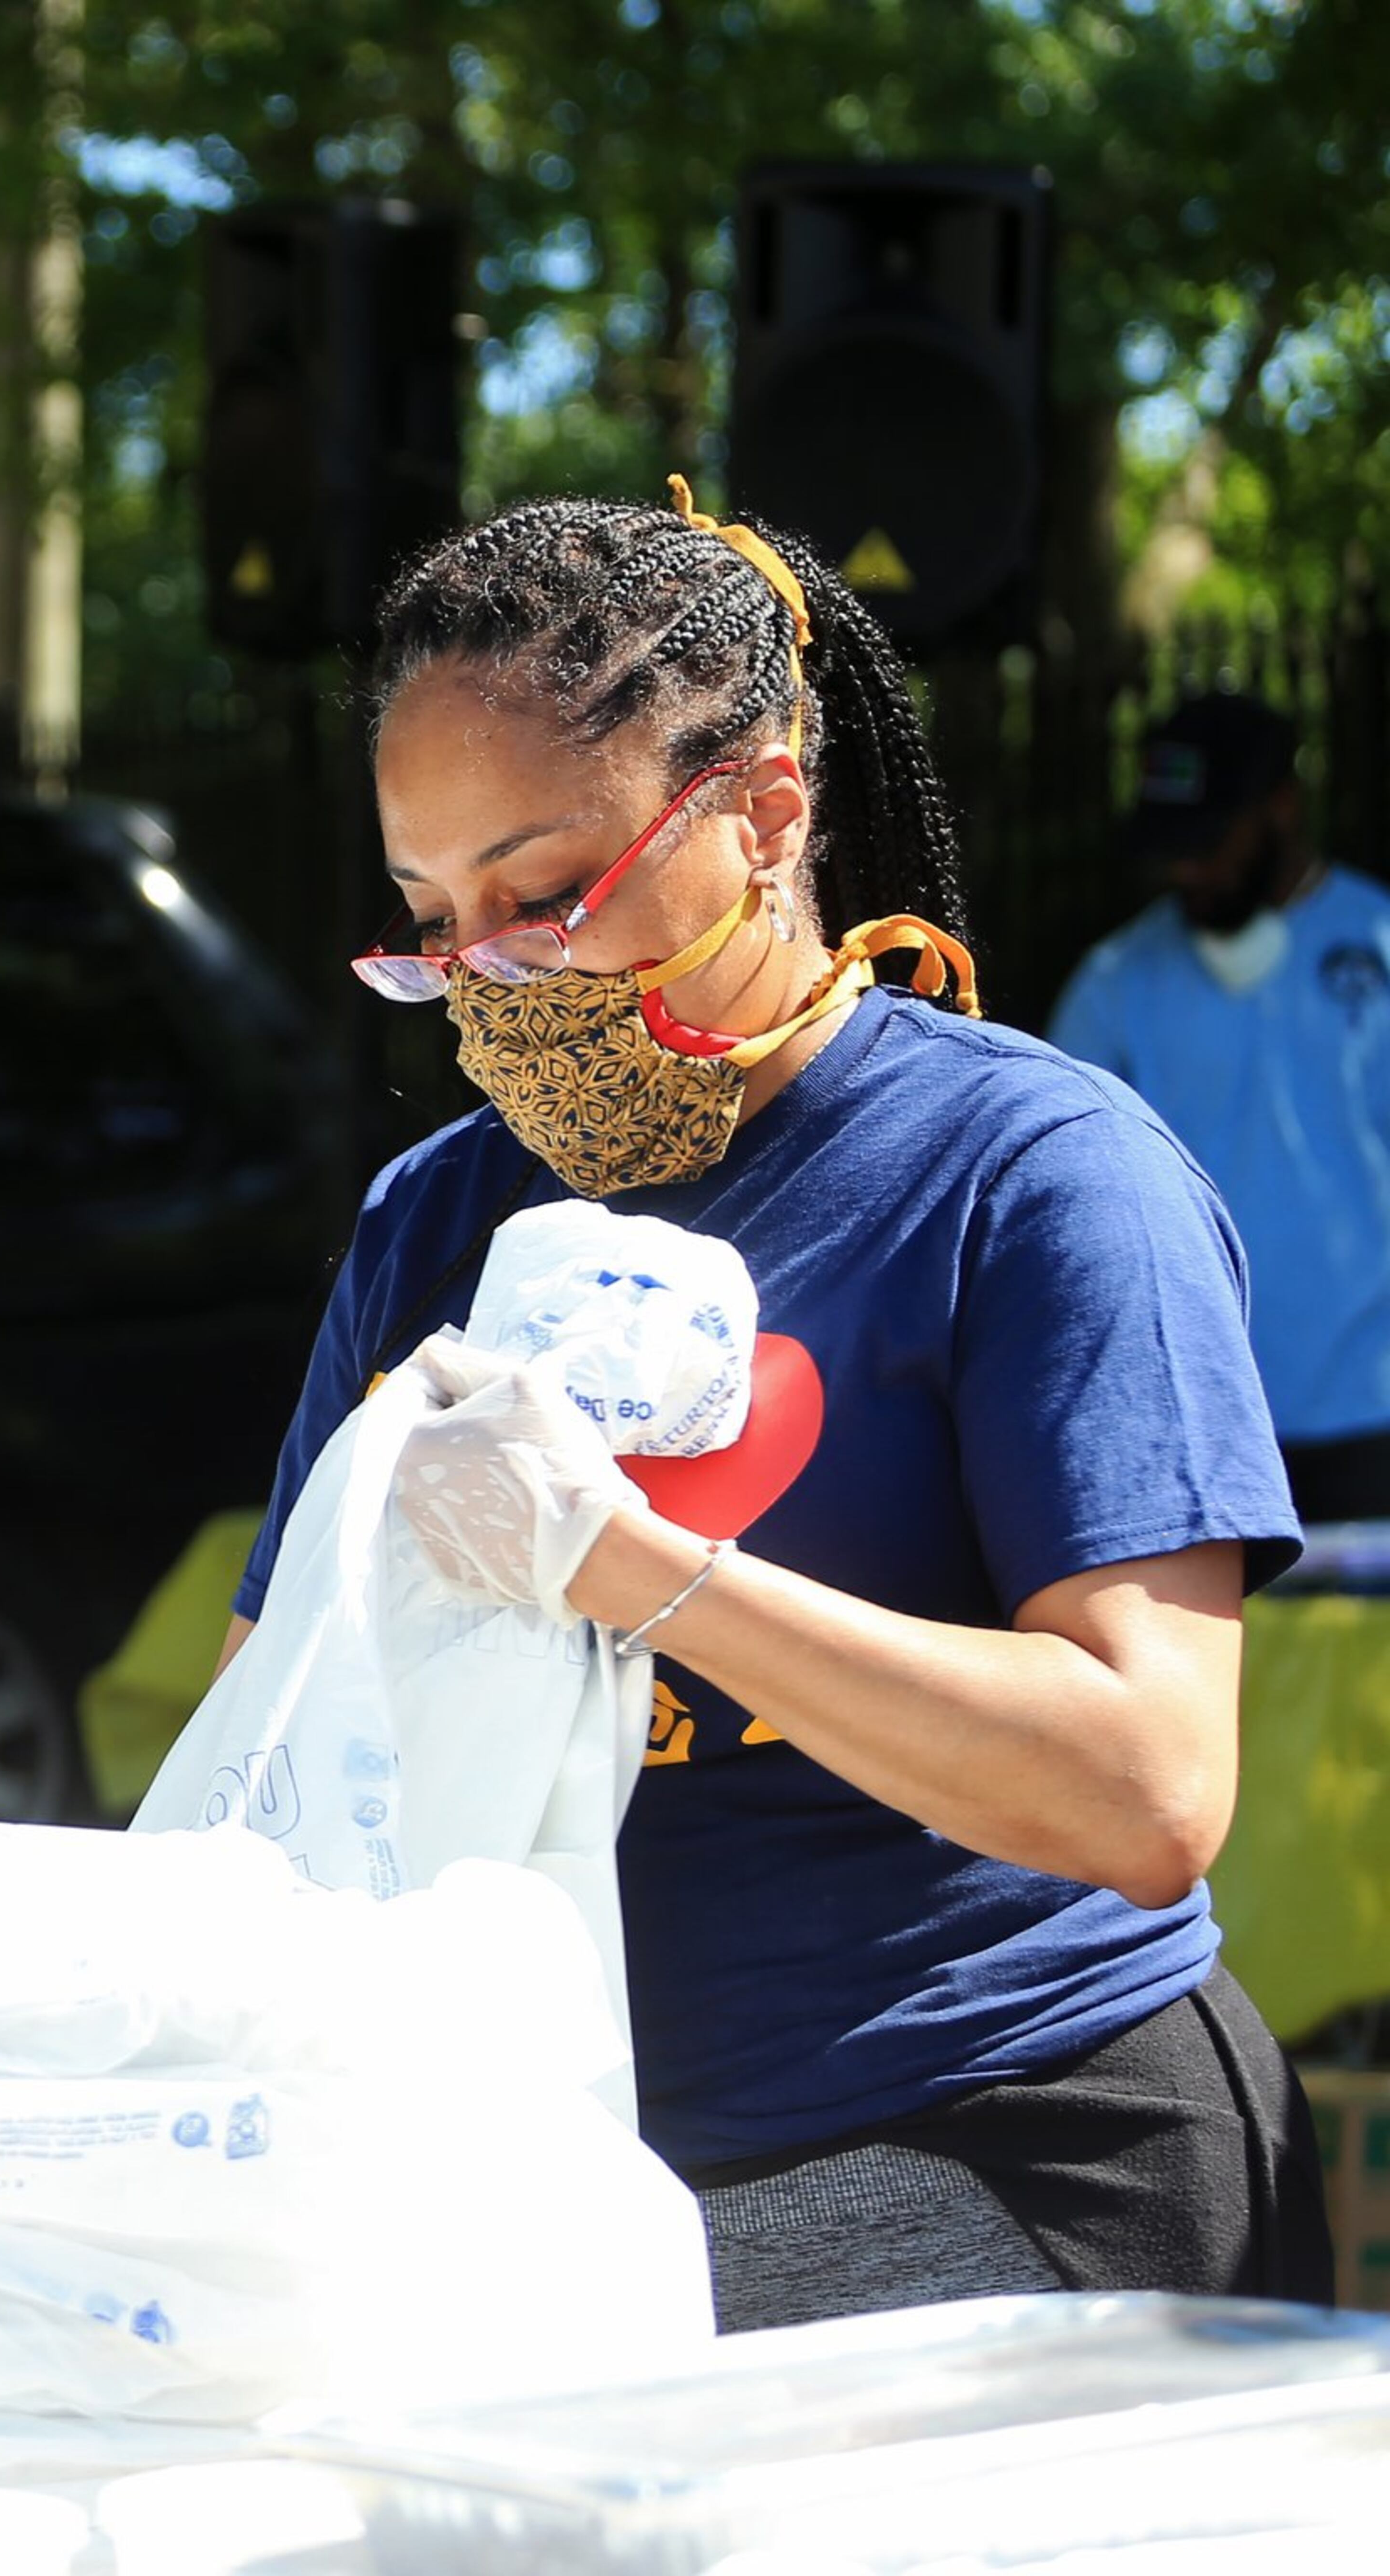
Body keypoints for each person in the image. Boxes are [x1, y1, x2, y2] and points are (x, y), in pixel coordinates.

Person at [215, 480, 1333, 2330]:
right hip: (571, 2151)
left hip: (1009, 2142)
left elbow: (1151, 1787)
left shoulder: (1038, 1176)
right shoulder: (436, 1216)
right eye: (434, 925)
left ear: (761, 816)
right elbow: (286, 1717)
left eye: (547, 895)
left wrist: (633, 1564)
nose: (496, 987)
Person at [1049, 690, 1390, 1524]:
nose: (1188, 868)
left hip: (1374, 1414)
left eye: (1211, 841)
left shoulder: (1379, 946)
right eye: (1174, 846)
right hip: (1192, 1418)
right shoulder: (1116, 981)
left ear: (1284, 805)